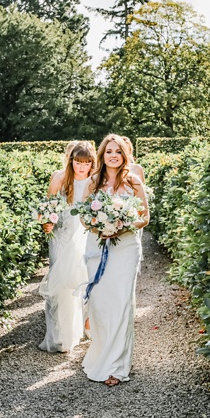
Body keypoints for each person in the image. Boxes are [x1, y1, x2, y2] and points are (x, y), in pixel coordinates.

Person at [82, 132, 148, 387]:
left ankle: (118, 367)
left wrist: (121, 226)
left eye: (118, 151)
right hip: (98, 246)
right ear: (102, 154)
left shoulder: (133, 182)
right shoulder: (93, 182)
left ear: (125, 155)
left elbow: (144, 216)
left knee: (121, 304)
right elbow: (84, 218)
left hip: (126, 247)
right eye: (109, 151)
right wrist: (102, 227)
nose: (113, 155)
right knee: (100, 303)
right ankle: (100, 355)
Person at [40, 140, 95, 352]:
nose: (81, 167)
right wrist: (47, 221)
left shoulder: (95, 181)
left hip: (85, 235)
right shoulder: (60, 178)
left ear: (92, 163)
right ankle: (58, 336)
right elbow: (48, 205)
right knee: (59, 284)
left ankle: (81, 328)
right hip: (61, 236)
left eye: (86, 163)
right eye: (78, 162)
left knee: (82, 281)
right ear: (71, 160)